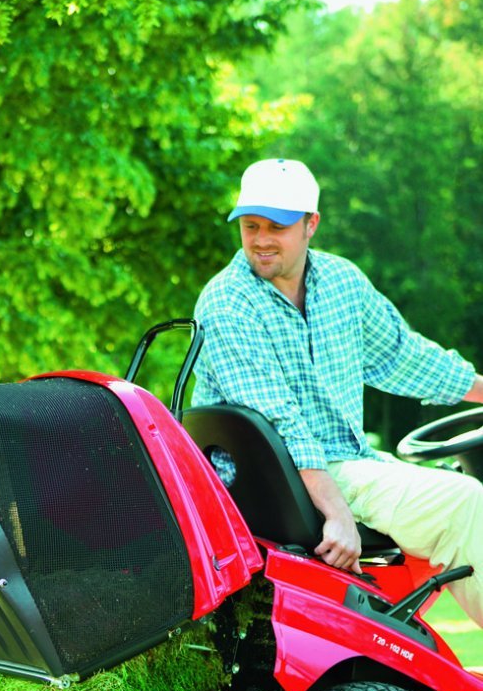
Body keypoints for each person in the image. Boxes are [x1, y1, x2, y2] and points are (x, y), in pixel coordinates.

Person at [193, 157, 483, 626]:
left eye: (277, 227)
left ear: (311, 224)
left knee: (440, 495)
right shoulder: (227, 302)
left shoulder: (342, 283)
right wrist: (337, 514)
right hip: (273, 479)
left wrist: (481, 390)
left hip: (346, 461)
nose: (261, 239)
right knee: (464, 502)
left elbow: (403, 355)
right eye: (251, 226)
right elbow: (279, 423)